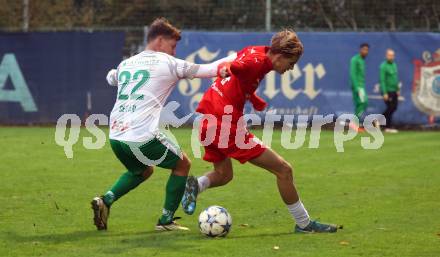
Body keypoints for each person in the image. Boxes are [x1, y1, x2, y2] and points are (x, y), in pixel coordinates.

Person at [181, 30, 339, 233]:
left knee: (223, 174)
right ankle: (304, 224)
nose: (290, 69)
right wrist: (225, 67)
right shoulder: (257, 62)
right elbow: (235, 66)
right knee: (284, 170)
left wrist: (253, 99)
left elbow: (241, 76)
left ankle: (196, 185)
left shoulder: (256, 52)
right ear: (280, 56)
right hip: (224, 125)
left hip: (208, 120)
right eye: (291, 64)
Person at [91, 17, 233, 231]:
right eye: (172, 46)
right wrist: (229, 62)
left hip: (116, 136)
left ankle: (106, 200)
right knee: (182, 164)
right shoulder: (168, 63)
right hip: (141, 137)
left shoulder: (126, 64)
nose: (174, 52)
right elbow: (208, 69)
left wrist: (113, 74)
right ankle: (166, 221)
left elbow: (111, 77)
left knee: (143, 171)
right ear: (159, 41)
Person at [349, 43, 369, 131]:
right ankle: (354, 123)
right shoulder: (355, 59)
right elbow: (353, 74)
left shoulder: (362, 60)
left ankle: (355, 124)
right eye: (364, 49)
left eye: (367, 50)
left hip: (361, 86)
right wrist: (356, 87)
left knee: (360, 104)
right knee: (363, 103)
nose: (365, 52)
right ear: (360, 50)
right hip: (358, 86)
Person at [380, 49, 399, 133]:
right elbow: (382, 80)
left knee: (393, 107)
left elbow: (395, 78)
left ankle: (384, 124)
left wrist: (397, 89)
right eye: (389, 55)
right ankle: (387, 126)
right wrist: (384, 92)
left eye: (392, 55)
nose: (391, 57)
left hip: (394, 90)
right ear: (386, 56)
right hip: (387, 91)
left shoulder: (394, 65)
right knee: (390, 107)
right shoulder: (383, 66)